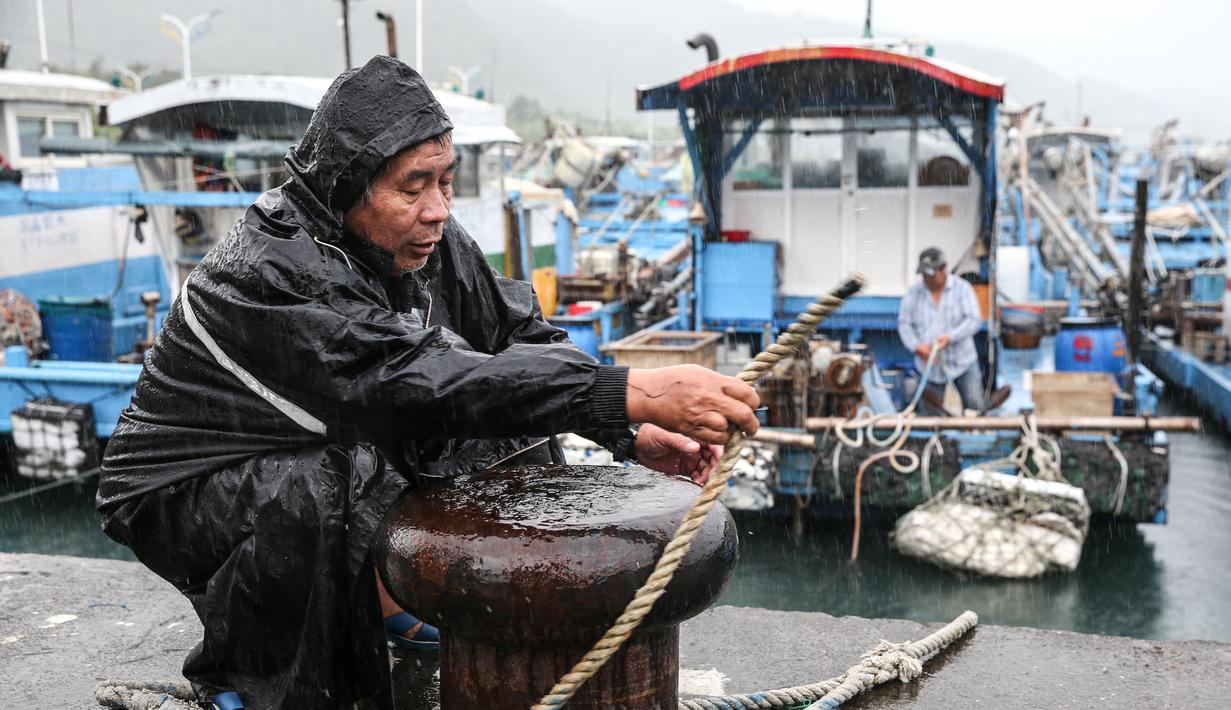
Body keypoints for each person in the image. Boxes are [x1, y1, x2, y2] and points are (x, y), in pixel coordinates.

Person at [96, 56, 759, 709]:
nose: (437, 209)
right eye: (413, 187)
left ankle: (433, 607)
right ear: (347, 184)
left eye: (445, 181)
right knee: (326, 484)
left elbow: (515, 337)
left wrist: (625, 431)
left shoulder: (425, 235)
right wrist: (631, 389)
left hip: (321, 436)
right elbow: (407, 380)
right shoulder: (272, 267)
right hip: (179, 487)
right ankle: (263, 680)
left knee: (514, 430)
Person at [897, 247, 985, 414]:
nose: (927, 279)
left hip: (963, 363)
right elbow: (904, 324)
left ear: (944, 269)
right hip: (929, 368)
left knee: (975, 411)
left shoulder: (963, 289)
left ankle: (973, 438)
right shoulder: (913, 294)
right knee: (929, 418)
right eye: (924, 275)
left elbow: (974, 320)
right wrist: (916, 346)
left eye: (932, 275)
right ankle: (936, 440)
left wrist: (950, 337)